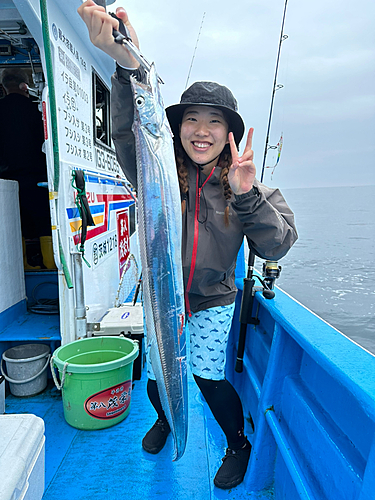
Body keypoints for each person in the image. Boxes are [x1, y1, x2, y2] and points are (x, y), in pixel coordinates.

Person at [78, 1, 298, 490]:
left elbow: (278, 244)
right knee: (156, 377)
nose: (202, 130)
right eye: (192, 119)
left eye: (215, 122)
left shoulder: (247, 188)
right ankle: (163, 419)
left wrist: (246, 195)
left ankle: (236, 443)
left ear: (230, 134)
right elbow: (128, 126)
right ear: (176, 128)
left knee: (207, 378)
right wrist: (125, 66)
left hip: (214, 299)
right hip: (161, 298)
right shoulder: (155, 170)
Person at [0, 67, 53, 269]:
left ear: (4, 88)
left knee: (14, 224)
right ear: (25, 86)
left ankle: (21, 266)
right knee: (43, 221)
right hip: (36, 177)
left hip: (6, 180)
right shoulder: (35, 111)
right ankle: (49, 263)